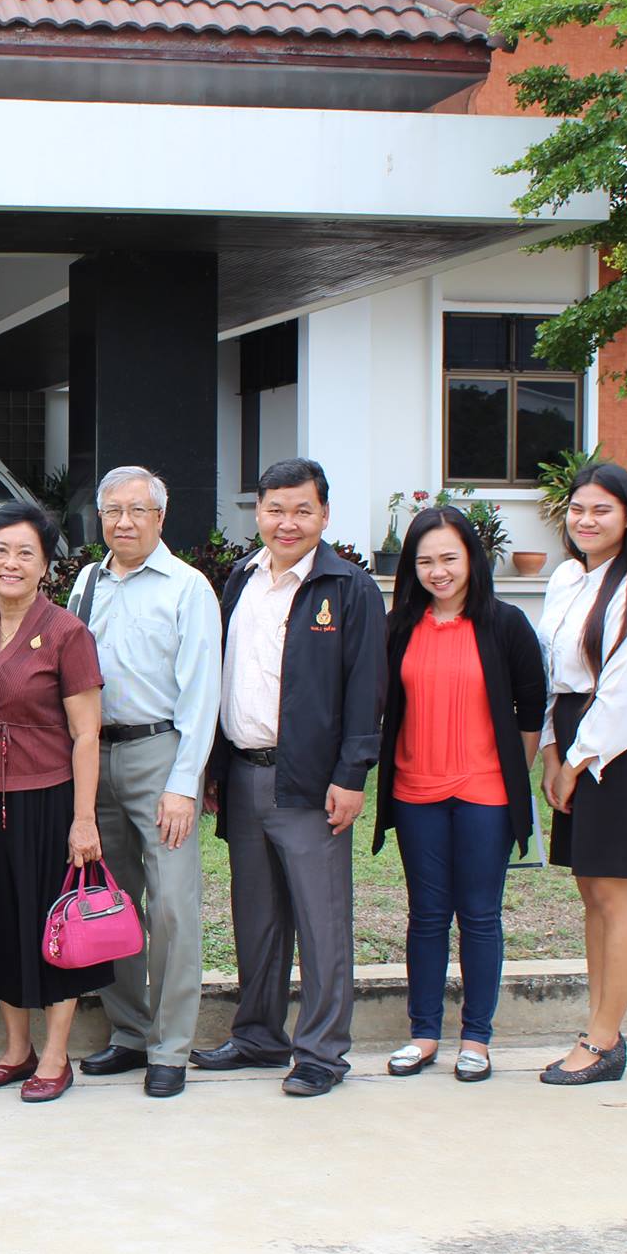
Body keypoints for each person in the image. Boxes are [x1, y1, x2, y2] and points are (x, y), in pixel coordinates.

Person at [193, 458, 384, 1098]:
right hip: (245, 776)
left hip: (311, 782)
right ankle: (258, 1036)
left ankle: (322, 1053)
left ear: (325, 515)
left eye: (303, 510)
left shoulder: (348, 588)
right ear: (258, 513)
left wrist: (351, 774)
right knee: (258, 919)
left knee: (321, 922)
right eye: (275, 509)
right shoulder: (241, 580)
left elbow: (366, 689)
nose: (288, 522)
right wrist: (216, 767)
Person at [372, 505, 547, 1083]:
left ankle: (477, 1039)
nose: (438, 571)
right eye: (425, 561)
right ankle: (423, 1034)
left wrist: (512, 774)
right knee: (426, 915)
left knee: (478, 915)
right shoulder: (398, 627)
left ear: (472, 558)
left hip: (484, 794)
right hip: (415, 790)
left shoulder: (505, 624)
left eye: (449, 558)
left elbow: (531, 707)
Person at [69, 466, 221, 1100]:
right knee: (113, 899)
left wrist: (184, 784)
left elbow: (202, 693)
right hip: (94, 754)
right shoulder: (87, 582)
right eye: (112, 511)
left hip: (160, 755)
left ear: (161, 516)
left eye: (137, 510)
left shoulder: (188, 588)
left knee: (172, 906)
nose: (124, 522)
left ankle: (171, 1046)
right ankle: (129, 1032)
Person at [0, 500, 107, 1104]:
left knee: (50, 925)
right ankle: (15, 1050)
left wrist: (84, 819)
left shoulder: (67, 632)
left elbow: (86, 733)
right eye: (1, 550)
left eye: (26, 553)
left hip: (48, 802)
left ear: (45, 564)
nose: (11, 563)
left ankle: (55, 1055)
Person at [536, 461, 627, 1085]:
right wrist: (551, 752)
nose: (586, 520)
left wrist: (578, 760)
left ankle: (603, 1039)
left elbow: (624, 694)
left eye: (601, 510)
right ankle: (597, 1025)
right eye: (578, 509)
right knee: (590, 890)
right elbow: (550, 672)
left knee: (617, 894)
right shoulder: (568, 578)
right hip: (573, 736)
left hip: (617, 750)